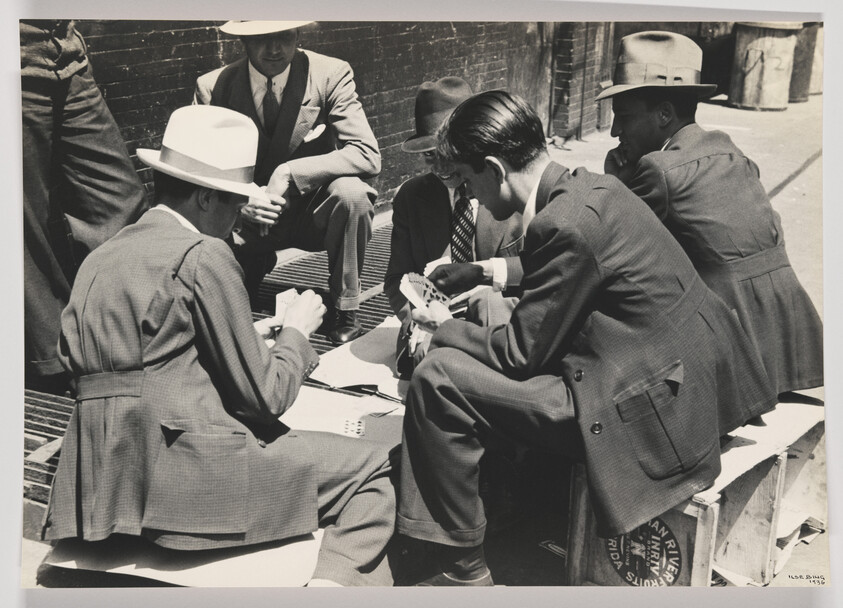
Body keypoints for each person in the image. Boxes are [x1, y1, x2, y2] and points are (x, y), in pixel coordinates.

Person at [396, 91, 777, 585]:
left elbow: (519, 354)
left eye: (469, 181)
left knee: (438, 379)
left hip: (650, 414)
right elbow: (574, 263)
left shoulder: (561, 223)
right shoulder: (593, 189)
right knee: (480, 351)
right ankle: (513, 497)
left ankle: (461, 567)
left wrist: (440, 331)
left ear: (495, 168)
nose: (472, 196)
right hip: (690, 383)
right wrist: (484, 274)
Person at [41, 105, 395, 587]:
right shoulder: (205, 253)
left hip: (99, 490)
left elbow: (138, 360)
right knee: (372, 466)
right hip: (184, 485)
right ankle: (331, 586)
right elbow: (265, 397)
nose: (238, 217)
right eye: (234, 203)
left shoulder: (102, 256)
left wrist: (250, 337)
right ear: (206, 198)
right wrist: (295, 332)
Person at [599, 31, 823, 397]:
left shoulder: (659, 169)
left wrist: (615, 182)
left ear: (665, 114)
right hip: (788, 334)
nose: (614, 132)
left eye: (623, 117)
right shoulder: (728, 149)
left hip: (734, 341)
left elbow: (609, 242)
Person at [195, 20, 381, 344]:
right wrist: (241, 202)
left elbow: (367, 154)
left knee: (353, 195)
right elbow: (197, 172)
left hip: (311, 214)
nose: (275, 49)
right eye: (262, 39)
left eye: (284, 36)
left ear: (299, 35)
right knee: (224, 311)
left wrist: (289, 173)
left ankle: (345, 305)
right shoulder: (214, 87)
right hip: (247, 222)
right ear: (242, 40)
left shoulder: (330, 74)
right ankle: (250, 265)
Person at [21, 19, 148, 394]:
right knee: (28, 222)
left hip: (66, 53)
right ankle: (59, 361)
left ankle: (131, 330)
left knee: (121, 197)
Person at [384, 77, 523, 370]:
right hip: (431, 322)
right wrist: (416, 319)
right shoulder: (412, 196)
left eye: (448, 154)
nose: (440, 167)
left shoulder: (511, 192)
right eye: (429, 156)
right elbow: (398, 279)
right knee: (431, 362)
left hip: (497, 324)